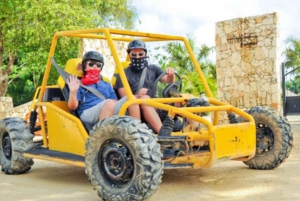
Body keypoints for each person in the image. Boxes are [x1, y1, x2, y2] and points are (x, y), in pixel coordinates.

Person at [115, 39, 176, 136]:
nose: (137, 57)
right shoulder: (123, 73)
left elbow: (168, 80)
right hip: (136, 109)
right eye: (134, 55)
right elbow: (124, 97)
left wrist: (171, 74)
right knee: (144, 99)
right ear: (129, 55)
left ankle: (199, 130)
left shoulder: (153, 69)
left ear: (145, 54)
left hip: (156, 106)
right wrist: (138, 95)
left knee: (183, 99)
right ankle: (163, 134)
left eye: (140, 54)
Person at [67, 50, 138, 128]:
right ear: (84, 66)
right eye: (91, 64)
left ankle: (137, 129)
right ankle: (102, 134)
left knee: (132, 98)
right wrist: (73, 91)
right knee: (109, 103)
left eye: (98, 65)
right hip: (87, 112)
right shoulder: (79, 84)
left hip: (107, 107)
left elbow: (114, 101)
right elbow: (72, 107)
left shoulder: (106, 84)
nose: (95, 66)